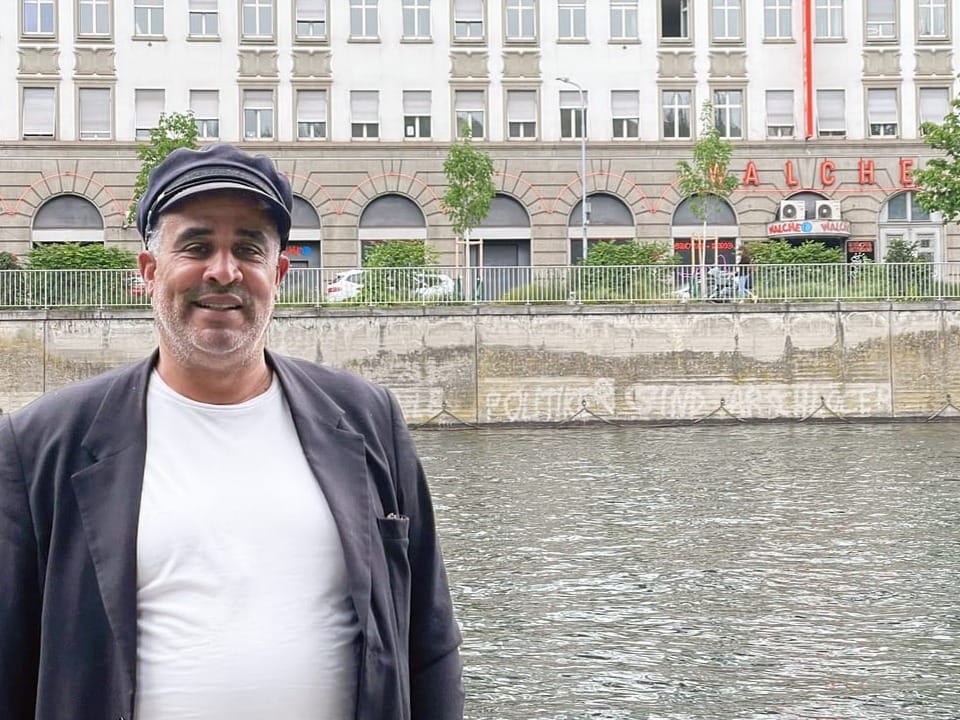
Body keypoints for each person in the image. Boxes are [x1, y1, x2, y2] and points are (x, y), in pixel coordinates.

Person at [0, 144, 464, 720]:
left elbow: (431, 642)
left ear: (279, 273)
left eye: (248, 247)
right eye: (196, 246)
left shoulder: (368, 419)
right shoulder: (43, 443)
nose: (224, 270)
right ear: (149, 271)